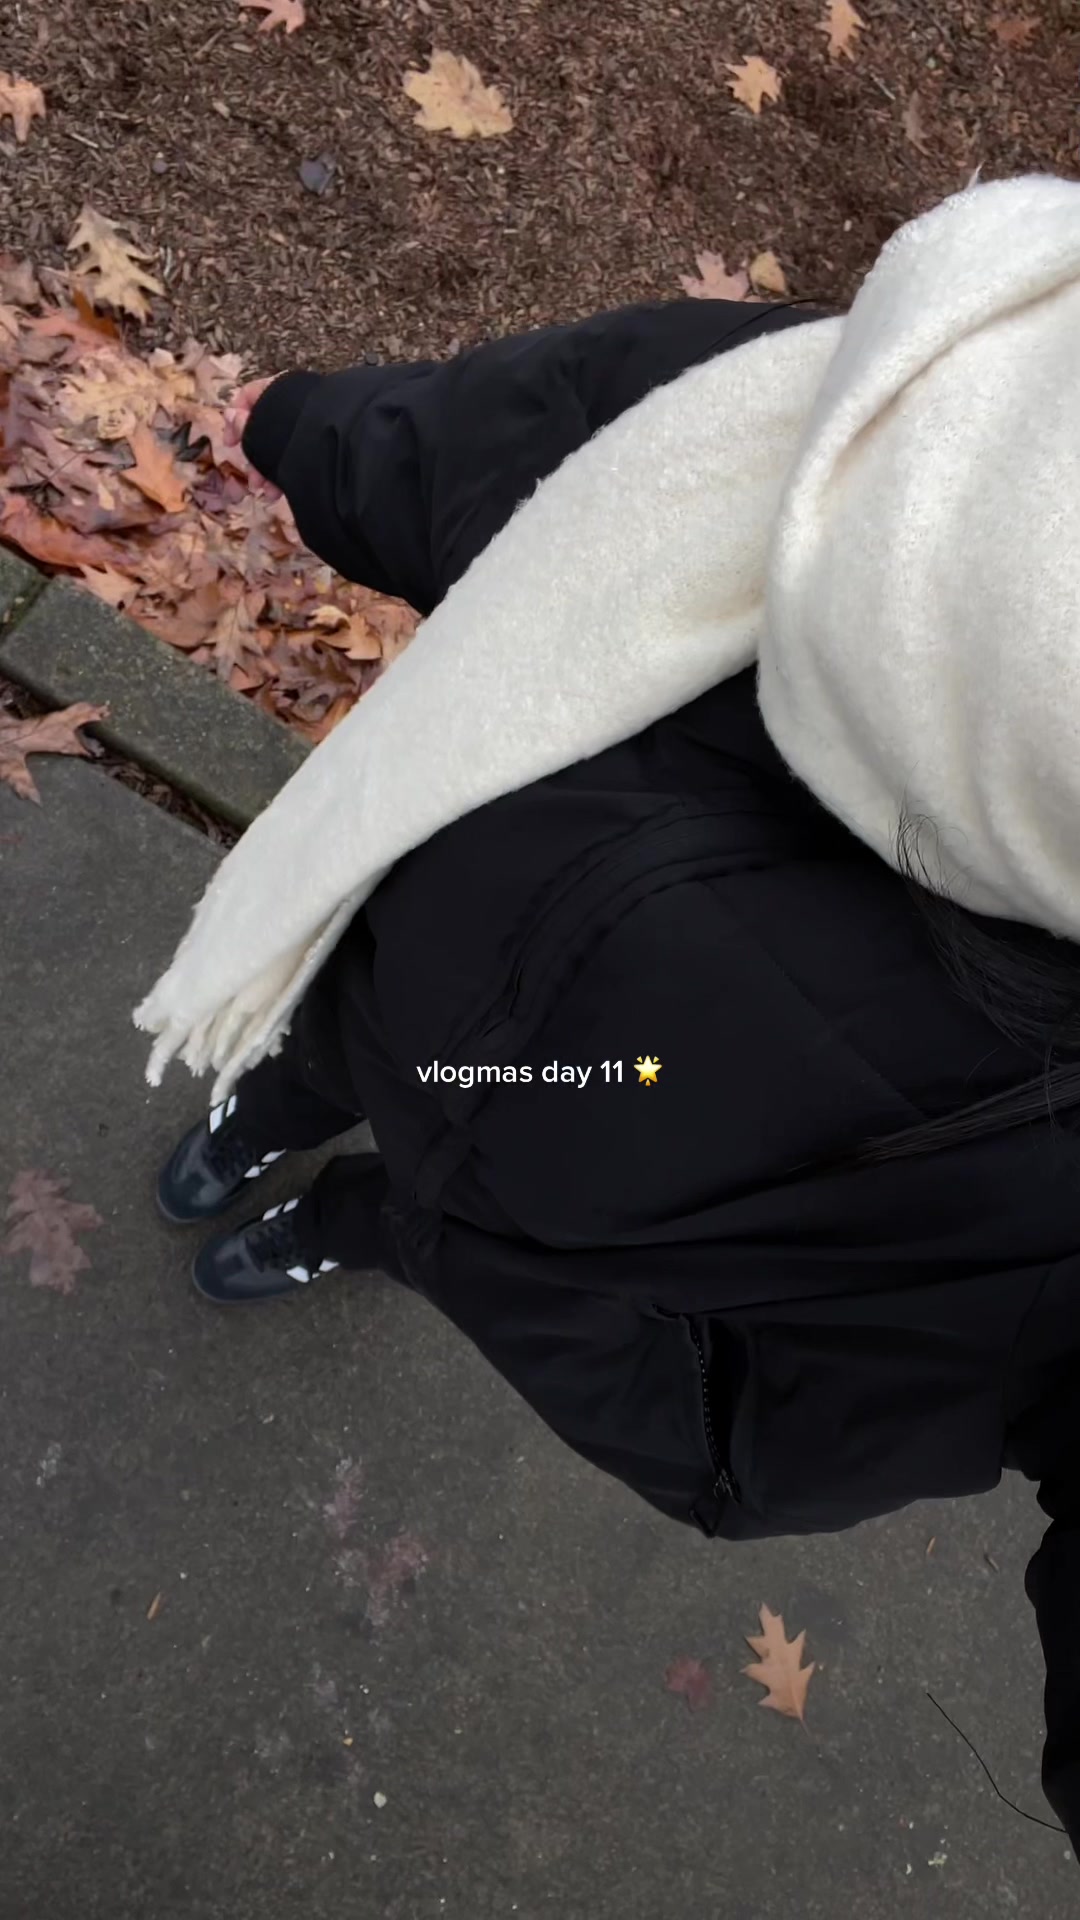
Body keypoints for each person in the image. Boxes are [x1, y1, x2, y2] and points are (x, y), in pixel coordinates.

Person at [144, 174, 1080, 1849]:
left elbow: (500, 430)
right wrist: (314, 433)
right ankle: (283, 1122)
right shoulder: (852, 404)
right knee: (346, 1055)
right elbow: (506, 446)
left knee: (426, 1207)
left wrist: (303, 428)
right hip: (433, 998)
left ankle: (354, 1217)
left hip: (587, 1243)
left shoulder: (891, 396)